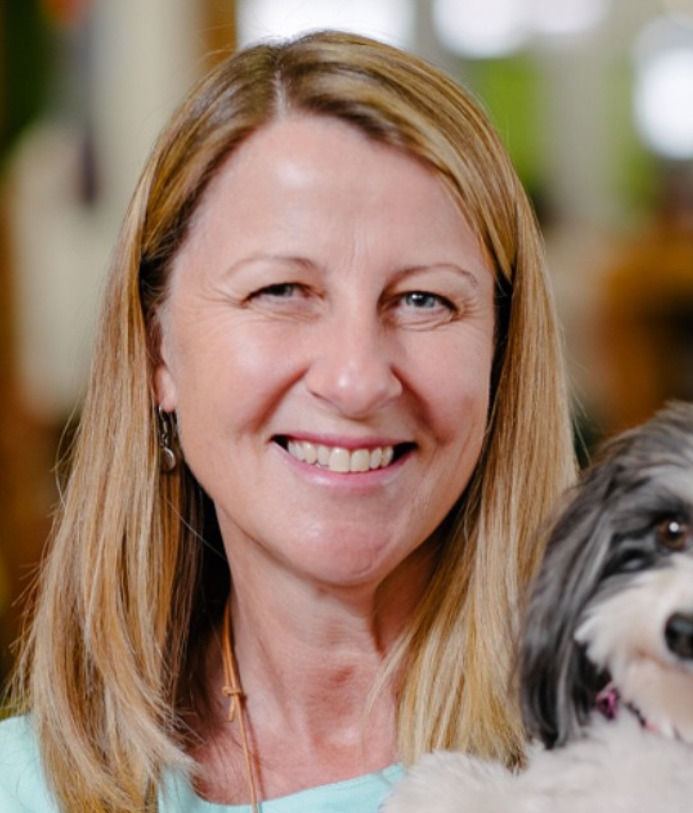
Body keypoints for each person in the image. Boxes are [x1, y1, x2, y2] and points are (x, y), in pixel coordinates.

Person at [0, 30, 576, 813]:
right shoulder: (25, 784)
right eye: (280, 290)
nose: (355, 378)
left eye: (423, 300)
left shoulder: (637, 762)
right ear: (156, 350)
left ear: (502, 356)